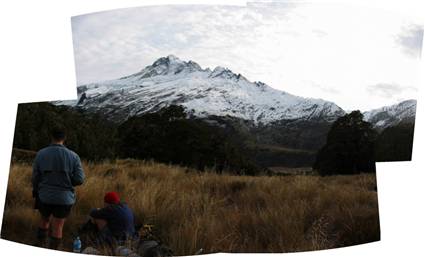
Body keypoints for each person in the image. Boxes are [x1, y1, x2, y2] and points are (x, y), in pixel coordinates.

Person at [32, 126, 85, 249]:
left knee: (44, 220)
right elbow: (80, 179)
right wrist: (67, 180)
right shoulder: (74, 156)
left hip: (44, 196)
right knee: (58, 227)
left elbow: (35, 177)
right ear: (64, 138)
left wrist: (37, 190)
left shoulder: (41, 154)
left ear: (51, 137)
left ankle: (40, 245)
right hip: (64, 198)